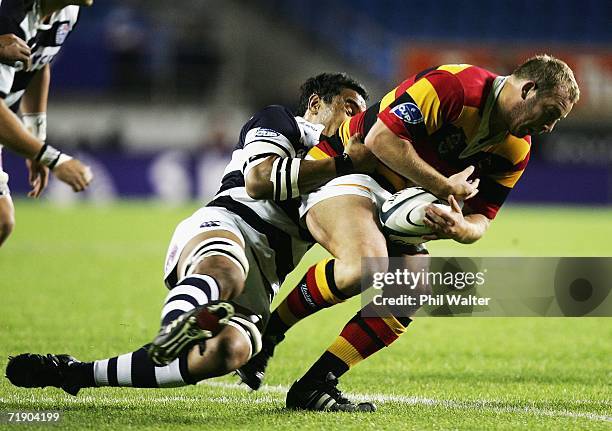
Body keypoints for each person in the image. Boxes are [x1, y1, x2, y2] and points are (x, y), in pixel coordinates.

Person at [6, 73, 379, 412]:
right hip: (226, 227)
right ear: (316, 104)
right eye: (349, 108)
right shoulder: (283, 123)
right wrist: (345, 164)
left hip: (267, 279)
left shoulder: (357, 164)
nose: (356, 121)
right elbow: (259, 180)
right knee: (227, 271)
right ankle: (175, 327)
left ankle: (77, 374)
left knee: (227, 352)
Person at [236, 55, 580, 411]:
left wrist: (462, 228)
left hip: (401, 197)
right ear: (528, 89)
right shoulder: (455, 86)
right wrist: (443, 185)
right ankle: (269, 332)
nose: (550, 127)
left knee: (411, 287)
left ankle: (315, 383)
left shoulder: (516, 149)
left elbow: (482, 219)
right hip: (348, 168)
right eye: (550, 112)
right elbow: (380, 139)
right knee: (365, 265)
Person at [0, 0, 94, 247]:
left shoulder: (69, 13)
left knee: (2, 221)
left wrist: (36, 137)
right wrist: (53, 159)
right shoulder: (9, 20)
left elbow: (39, 65)